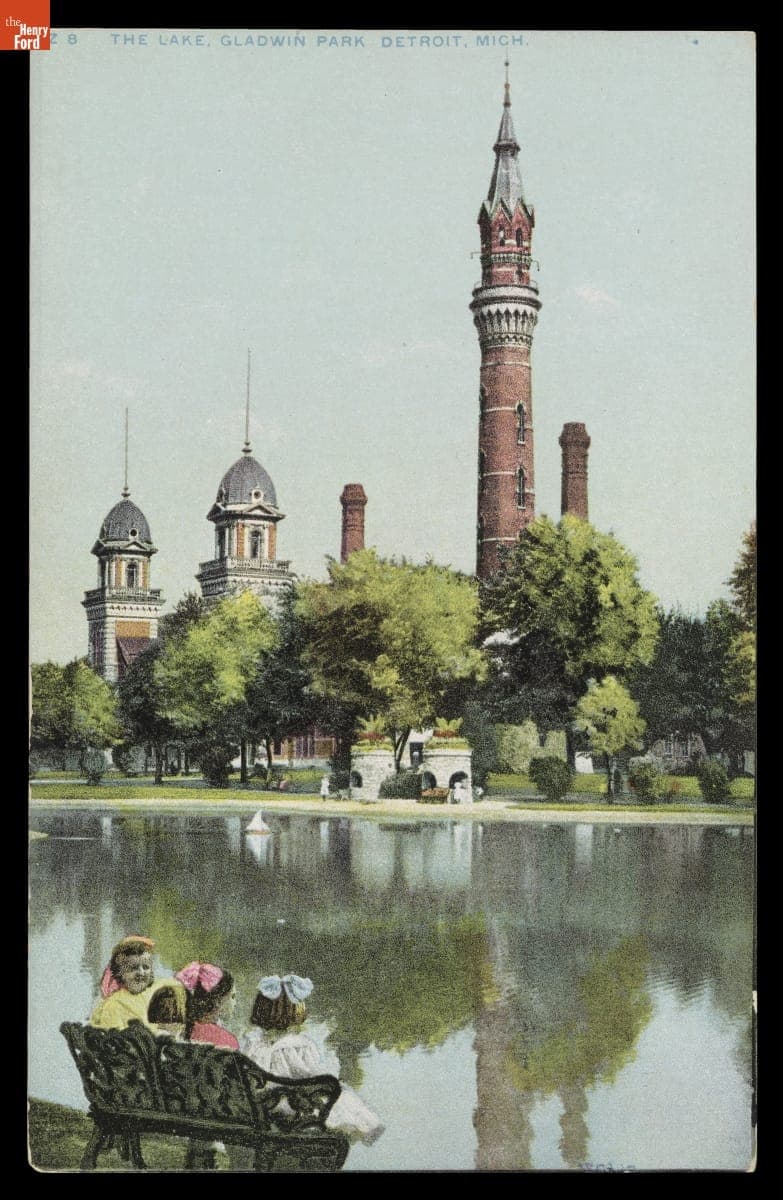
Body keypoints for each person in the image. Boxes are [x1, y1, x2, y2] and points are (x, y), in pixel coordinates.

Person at [240, 974, 384, 1145]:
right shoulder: (300, 1046)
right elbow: (316, 1075)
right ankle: (361, 1130)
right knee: (341, 1094)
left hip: (263, 1104)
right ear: (296, 1011)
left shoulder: (252, 1042)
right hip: (292, 1106)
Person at [90, 935, 175, 1030]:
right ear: (120, 973)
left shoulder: (156, 991)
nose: (141, 973)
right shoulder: (114, 1005)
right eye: (133, 968)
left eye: (146, 967)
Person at [175, 961, 239, 1049]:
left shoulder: (177, 1027)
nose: (235, 1003)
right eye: (232, 996)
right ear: (219, 1000)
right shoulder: (228, 1042)